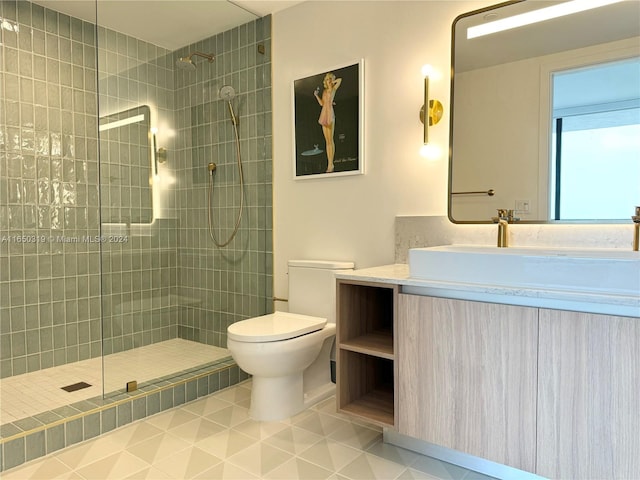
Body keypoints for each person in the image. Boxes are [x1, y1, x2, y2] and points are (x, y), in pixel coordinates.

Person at [314, 72, 342, 173]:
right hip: (324, 113)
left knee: (330, 140)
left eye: (330, 79)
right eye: (327, 79)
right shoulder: (325, 91)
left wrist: (332, 82)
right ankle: (329, 162)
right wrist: (316, 96)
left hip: (329, 113)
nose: (329, 81)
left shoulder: (333, 89)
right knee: (327, 141)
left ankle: (331, 163)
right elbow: (322, 103)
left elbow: (340, 80)